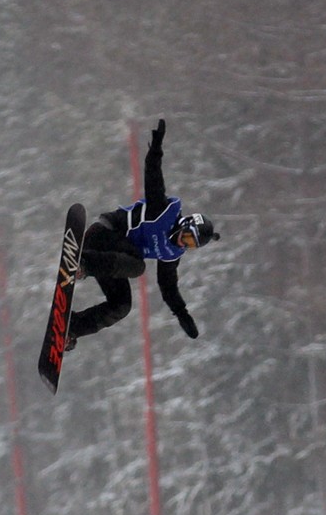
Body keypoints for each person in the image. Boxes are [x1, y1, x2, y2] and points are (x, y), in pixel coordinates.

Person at [68, 118, 219, 351]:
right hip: (104, 234)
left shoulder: (171, 253)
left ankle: (71, 328)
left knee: (122, 305)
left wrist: (182, 314)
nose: (183, 242)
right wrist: (156, 147)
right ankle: (82, 263)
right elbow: (153, 176)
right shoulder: (163, 212)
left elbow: (168, 287)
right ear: (184, 223)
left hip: (111, 261)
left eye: (189, 244)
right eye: (187, 236)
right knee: (137, 266)